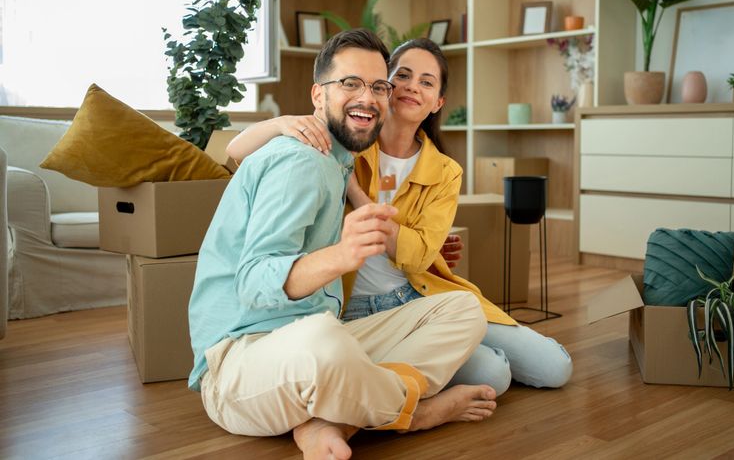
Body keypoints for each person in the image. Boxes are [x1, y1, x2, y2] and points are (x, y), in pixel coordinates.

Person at [188, 29, 497, 460]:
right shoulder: (300, 161)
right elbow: (254, 284)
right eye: (350, 83)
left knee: (461, 309)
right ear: (319, 95)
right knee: (323, 338)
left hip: (317, 335)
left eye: (378, 86)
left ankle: (332, 421)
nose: (367, 97)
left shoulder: (341, 159)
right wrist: (342, 254)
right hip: (240, 362)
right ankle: (417, 414)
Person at [227, 37, 573, 397]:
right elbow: (237, 152)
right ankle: (421, 374)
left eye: (426, 82)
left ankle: (419, 365)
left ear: (438, 102)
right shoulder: (349, 138)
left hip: (421, 294)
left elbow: (420, 255)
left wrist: (356, 194)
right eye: (402, 76)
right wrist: (282, 122)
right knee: (494, 374)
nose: (411, 87)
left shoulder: (445, 171)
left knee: (555, 367)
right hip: (352, 309)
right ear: (384, 87)